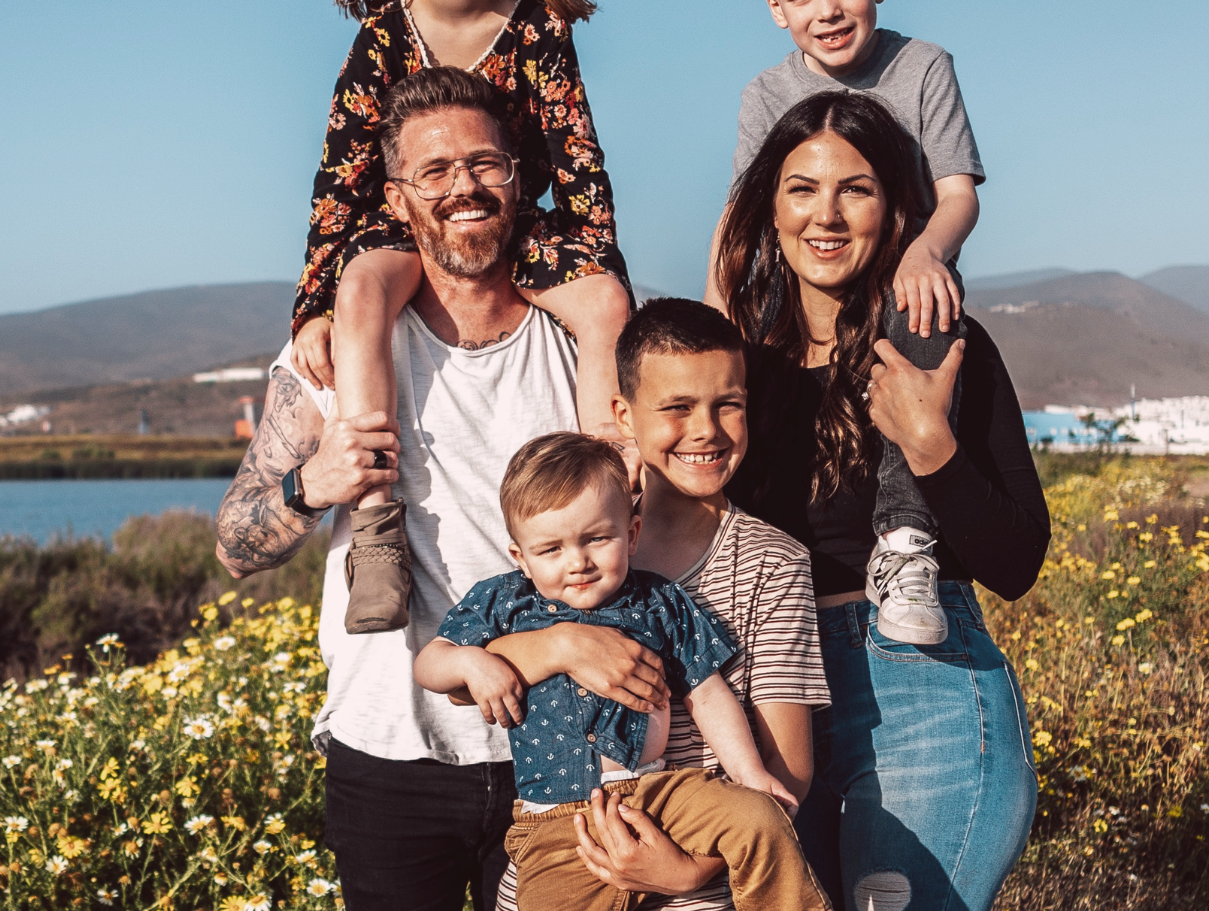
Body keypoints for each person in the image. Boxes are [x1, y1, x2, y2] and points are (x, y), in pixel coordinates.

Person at [215, 66, 589, 911]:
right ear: (397, 198)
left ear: (517, 178)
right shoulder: (334, 360)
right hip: (387, 751)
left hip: (558, 746)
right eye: (435, 171)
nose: (465, 187)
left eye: (486, 164)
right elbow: (235, 544)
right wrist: (314, 484)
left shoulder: (576, 346)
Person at [290, 0, 632, 636]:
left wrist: (599, 268)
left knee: (606, 302)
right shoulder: (382, 35)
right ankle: (377, 528)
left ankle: (615, 496)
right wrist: (311, 307)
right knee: (362, 287)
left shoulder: (540, 28)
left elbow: (578, 161)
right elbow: (339, 178)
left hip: (515, 221)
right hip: (404, 224)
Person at [716, 90, 1049, 911]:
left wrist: (930, 446)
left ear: (895, 208)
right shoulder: (735, 365)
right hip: (769, 694)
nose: (825, 216)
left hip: (922, 690)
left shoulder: (940, 345)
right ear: (770, 208)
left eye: (855, 190)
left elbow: (1016, 561)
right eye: (802, 189)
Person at [705, 0, 987, 646]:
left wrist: (927, 250)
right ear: (776, 7)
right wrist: (713, 320)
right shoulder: (767, 94)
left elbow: (958, 195)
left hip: (903, 289)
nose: (826, 9)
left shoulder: (922, 66)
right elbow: (739, 217)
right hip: (801, 296)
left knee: (923, 309)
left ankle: (904, 542)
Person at [488, 298, 834, 911]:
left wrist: (686, 872)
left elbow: (790, 769)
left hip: (700, 885)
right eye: (677, 407)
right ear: (623, 414)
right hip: (562, 860)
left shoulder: (772, 563)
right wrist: (564, 645)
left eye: (729, 404)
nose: (706, 430)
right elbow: (470, 680)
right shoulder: (569, 541)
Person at [415, 432, 826, 911]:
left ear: (631, 534)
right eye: (551, 549)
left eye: (597, 539)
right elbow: (431, 663)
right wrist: (470, 660)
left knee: (759, 818)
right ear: (520, 558)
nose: (578, 562)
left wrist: (749, 772)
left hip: (661, 792)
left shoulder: (659, 601)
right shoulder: (504, 602)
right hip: (558, 822)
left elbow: (708, 695)